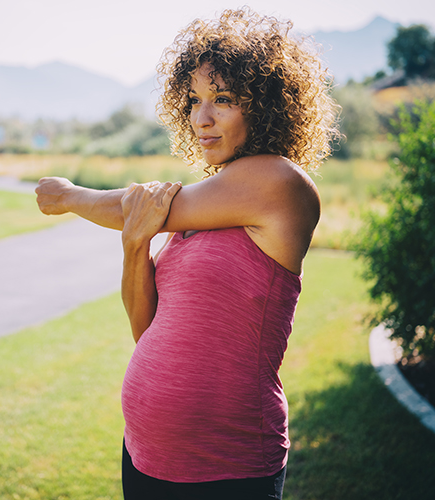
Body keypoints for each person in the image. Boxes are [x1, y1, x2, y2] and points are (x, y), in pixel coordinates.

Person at [35, 7, 339, 499]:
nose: (202, 118)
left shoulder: (280, 184)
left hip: (227, 466)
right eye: (193, 100)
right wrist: (135, 245)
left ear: (265, 105)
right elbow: (144, 328)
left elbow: (136, 204)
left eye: (223, 99)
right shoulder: (202, 204)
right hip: (145, 455)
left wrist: (71, 196)